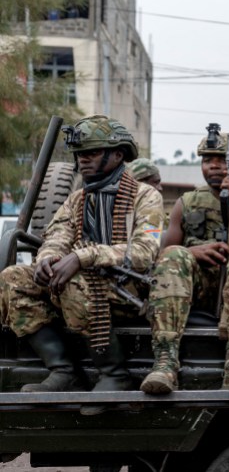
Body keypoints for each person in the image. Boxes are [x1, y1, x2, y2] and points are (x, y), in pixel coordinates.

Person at [0, 115, 164, 416]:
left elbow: (144, 252)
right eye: (79, 155)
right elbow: (58, 235)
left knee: (75, 279)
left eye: (91, 153)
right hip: (82, 287)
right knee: (12, 277)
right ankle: (63, 370)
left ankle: (114, 375)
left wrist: (83, 257)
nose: (82, 160)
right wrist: (47, 259)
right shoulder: (77, 199)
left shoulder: (145, 196)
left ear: (117, 155)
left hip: (129, 288)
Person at [139, 126, 229, 395]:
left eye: (222, 160)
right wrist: (192, 253)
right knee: (174, 256)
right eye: (208, 160)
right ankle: (165, 362)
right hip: (191, 289)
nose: (214, 166)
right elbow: (162, 254)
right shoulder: (187, 202)